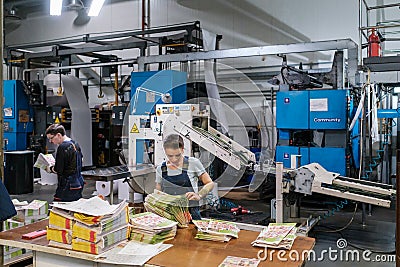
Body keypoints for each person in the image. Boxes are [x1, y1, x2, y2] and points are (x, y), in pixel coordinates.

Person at [155, 134, 214, 220]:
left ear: (182, 150)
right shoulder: (161, 168)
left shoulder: (193, 163)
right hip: (168, 215)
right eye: (170, 156)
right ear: (165, 151)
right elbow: (158, 192)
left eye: (177, 155)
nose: (174, 159)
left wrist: (199, 195)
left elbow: (210, 183)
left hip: (190, 213)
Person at [45, 124, 84, 202]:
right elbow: (81, 159)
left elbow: (58, 169)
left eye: (51, 138)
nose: (51, 141)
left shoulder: (63, 147)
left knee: (59, 208)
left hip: (68, 185)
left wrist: (50, 169)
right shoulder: (74, 143)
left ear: (59, 135)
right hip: (79, 182)